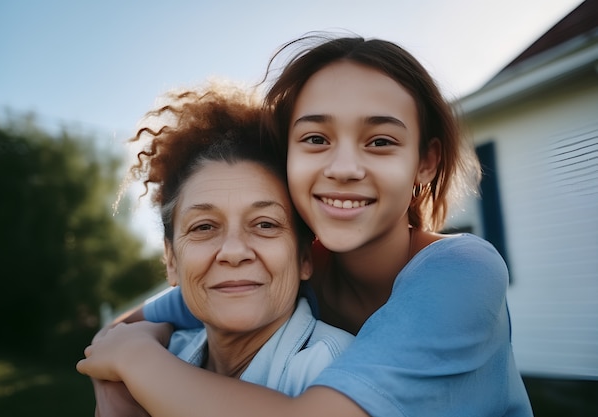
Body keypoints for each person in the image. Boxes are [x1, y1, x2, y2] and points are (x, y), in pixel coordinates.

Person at [77, 34, 533, 416]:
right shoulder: (288, 264)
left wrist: (137, 364)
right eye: (316, 138)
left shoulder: (461, 271)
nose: (344, 167)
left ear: (426, 163)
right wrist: (116, 380)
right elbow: (123, 328)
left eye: (380, 141)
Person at [81, 83, 353, 415]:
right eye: (204, 227)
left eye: (265, 224)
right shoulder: (161, 356)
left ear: (304, 257)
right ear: (171, 261)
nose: (234, 251)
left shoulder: (337, 370)